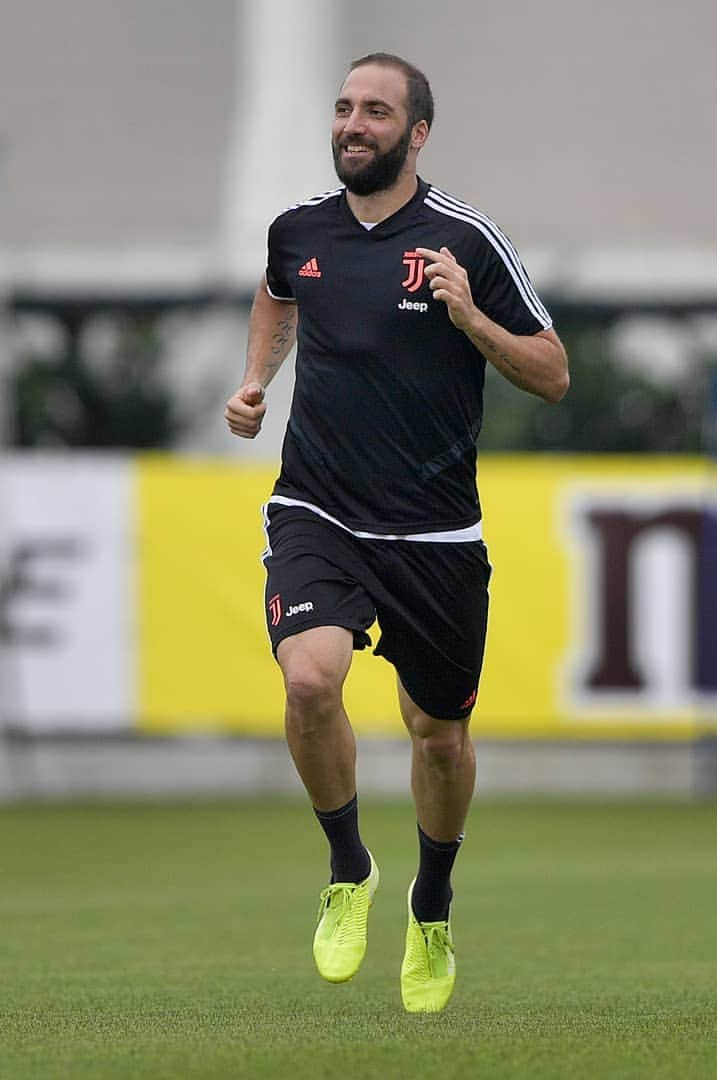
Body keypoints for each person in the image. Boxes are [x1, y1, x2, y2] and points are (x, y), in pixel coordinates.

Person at [224, 53, 567, 1014]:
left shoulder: (465, 240)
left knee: (439, 737)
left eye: (375, 111)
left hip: (437, 536)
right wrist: (257, 382)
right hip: (318, 510)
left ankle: (433, 904)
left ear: (416, 133)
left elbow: (552, 371)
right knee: (308, 679)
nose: (352, 124)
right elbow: (277, 292)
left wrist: (470, 317)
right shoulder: (300, 231)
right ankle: (347, 869)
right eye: (343, 108)